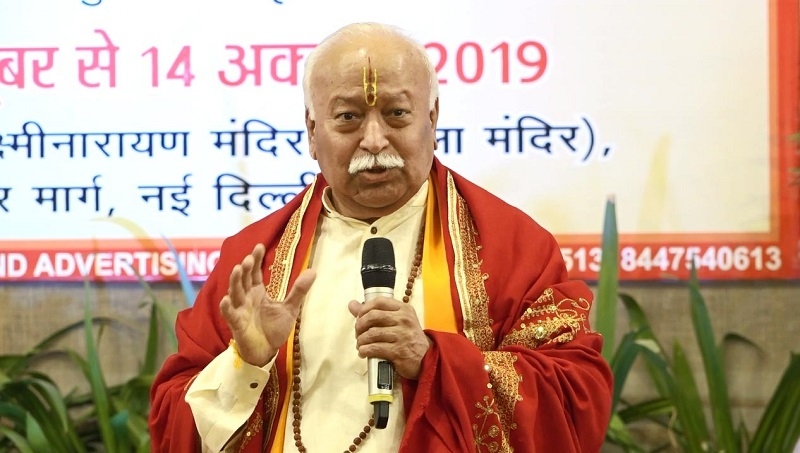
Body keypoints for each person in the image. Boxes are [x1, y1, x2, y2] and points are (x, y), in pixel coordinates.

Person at [149, 21, 613, 452]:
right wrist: (246, 364)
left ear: (432, 118)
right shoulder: (253, 262)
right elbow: (172, 425)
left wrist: (433, 360)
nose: (373, 140)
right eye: (348, 117)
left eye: (396, 114)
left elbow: (575, 398)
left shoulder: (512, 248)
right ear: (312, 131)